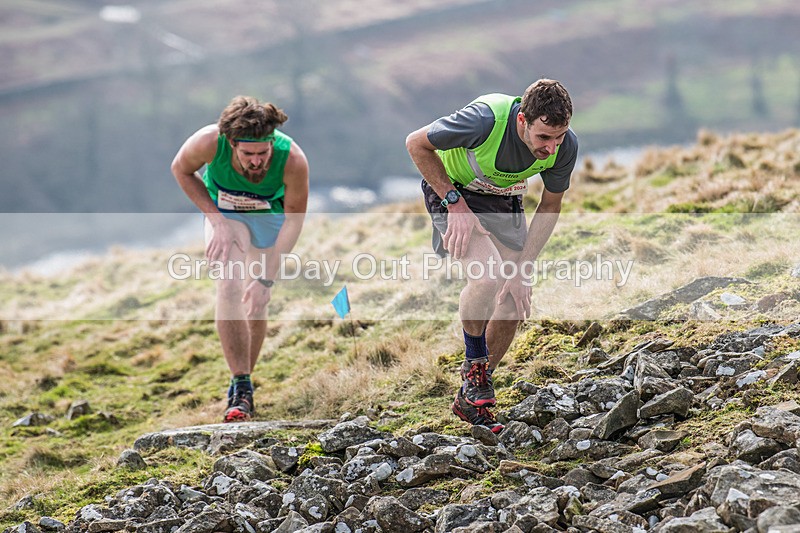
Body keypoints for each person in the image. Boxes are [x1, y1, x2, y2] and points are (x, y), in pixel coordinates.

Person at [406, 79, 577, 433]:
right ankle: (474, 362)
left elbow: (550, 205)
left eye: (559, 137)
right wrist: (455, 205)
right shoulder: (483, 121)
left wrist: (523, 268)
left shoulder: (565, 145)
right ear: (522, 122)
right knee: (486, 276)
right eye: (543, 137)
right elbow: (416, 144)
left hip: (503, 203)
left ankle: (473, 391)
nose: (551, 147)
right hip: (454, 193)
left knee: (513, 296)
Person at [171, 96, 309, 422]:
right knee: (229, 284)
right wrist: (215, 219)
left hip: (270, 218)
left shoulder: (293, 160)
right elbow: (181, 169)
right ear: (231, 143)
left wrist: (266, 279)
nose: (257, 162)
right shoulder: (208, 141)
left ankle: (244, 375)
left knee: (256, 299)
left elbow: (294, 219)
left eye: (263, 153)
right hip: (226, 214)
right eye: (248, 154)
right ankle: (242, 387)